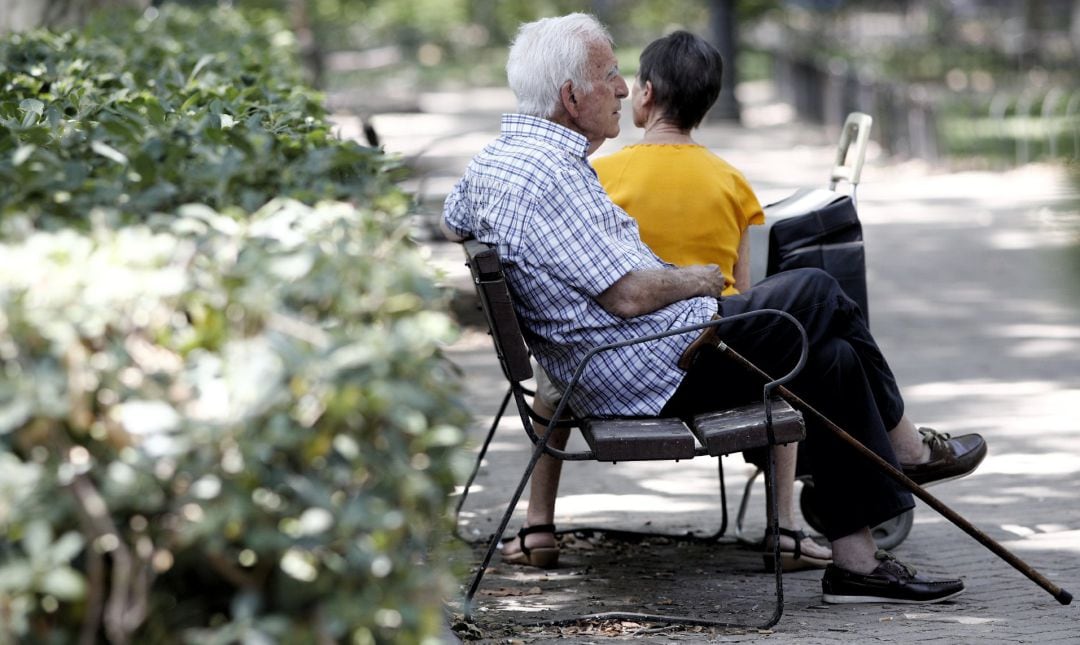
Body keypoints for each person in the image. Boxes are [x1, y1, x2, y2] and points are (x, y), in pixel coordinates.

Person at [442, 13, 986, 604]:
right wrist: (696, 279)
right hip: (652, 369)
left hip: (634, 358)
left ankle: (855, 565)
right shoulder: (549, 177)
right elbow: (625, 296)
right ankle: (908, 449)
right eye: (609, 75)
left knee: (831, 359)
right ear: (572, 96)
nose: (624, 88)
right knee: (819, 290)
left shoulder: (498, 163)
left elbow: (454, 218)